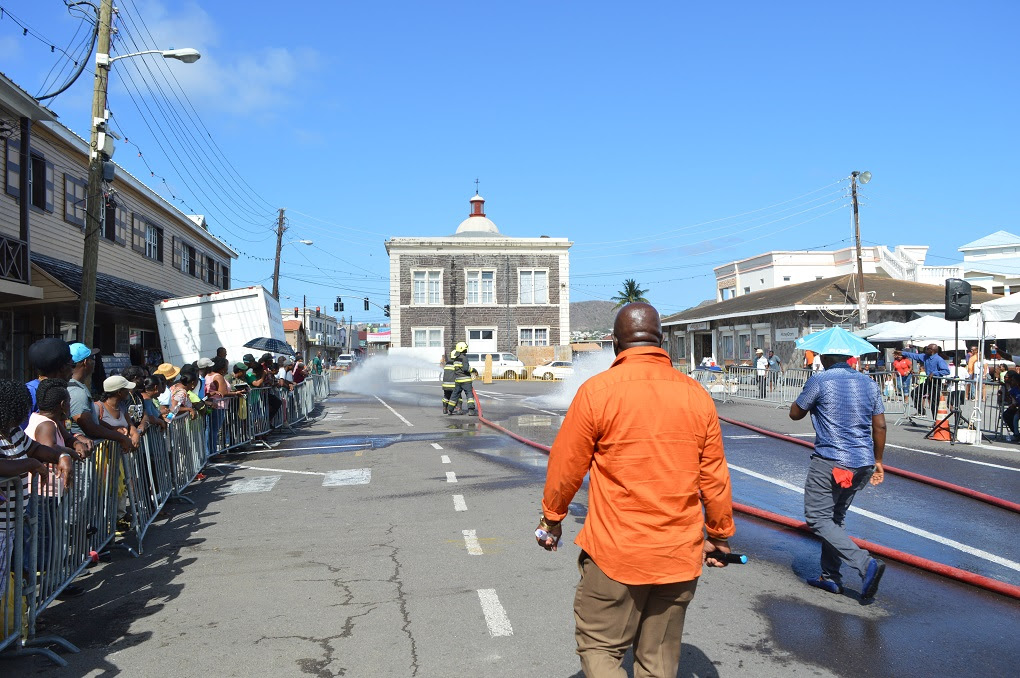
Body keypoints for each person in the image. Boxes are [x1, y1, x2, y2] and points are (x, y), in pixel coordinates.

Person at [537, 303, 735, 678]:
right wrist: (720, 537)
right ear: (661, 343)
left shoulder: (597, 392)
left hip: (617, 552)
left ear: (615, 343)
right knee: (658, 661)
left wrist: (551, 520)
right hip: (678, 555)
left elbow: (565, 468)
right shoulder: (696, 395)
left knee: (600, 648)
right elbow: (715, 477)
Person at [790, 352, 887, 599]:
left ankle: (865, 564)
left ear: (824, 358)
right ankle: (830, 576)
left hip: (832, 460)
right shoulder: (869, 383)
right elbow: (880, 425)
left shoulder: (819, 380)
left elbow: (795, 413)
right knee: (835, 517)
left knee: (817, 518)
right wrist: (878, 460)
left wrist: (804, 396)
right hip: (863, 462)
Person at [0, 380, 75, 601]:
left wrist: (62, 456)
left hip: (10, 524)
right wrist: (31, 464)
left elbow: (35, 448)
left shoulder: (12, 432)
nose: (22, 416)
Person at [67, 343, 135, 452]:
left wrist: (112, 429)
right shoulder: (76, 392)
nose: (95, 362)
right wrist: (120, 438)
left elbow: (92, 420)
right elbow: (89, 427)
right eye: (93, 358)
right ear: (85, 362)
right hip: (83, 455)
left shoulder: (78, 387)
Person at [21, 338, 74, 429]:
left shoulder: (60, 390)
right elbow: (23, 431)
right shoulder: (29, 392)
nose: (73, 371)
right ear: (62, 368)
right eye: (72, 365)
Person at [902, 344, 950, 417]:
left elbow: (946, 371)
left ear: (932, 350)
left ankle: (936, 419)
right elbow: (914, 356)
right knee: (915, 393)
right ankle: (921, 411)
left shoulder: (939, 359)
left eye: (927, 349)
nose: (926, 350)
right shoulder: (925, 357)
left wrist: (935, 373)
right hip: (928, 380)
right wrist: (902, 353)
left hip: (936, 381)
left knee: (934, 401)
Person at [447, 342, 476, 415]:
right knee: (469, 395)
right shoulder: (464, 358)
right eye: (465, 349)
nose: (466, 350)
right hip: (466, 380)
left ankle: (450, 409)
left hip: (458, 380)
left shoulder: (456, 359)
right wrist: (473, 370)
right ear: (462, 349)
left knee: (455, 395)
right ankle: (471, 410)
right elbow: (466, 369)